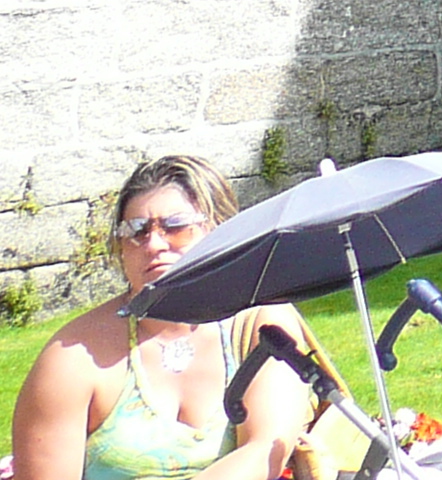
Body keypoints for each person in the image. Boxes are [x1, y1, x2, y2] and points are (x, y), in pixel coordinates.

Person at [9, 155, 316, 480]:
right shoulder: (74, 357)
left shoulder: (260, 325)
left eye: (176, 226)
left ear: (220, 228)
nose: (154, 243)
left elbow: (266, 448)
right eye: (136, 231)